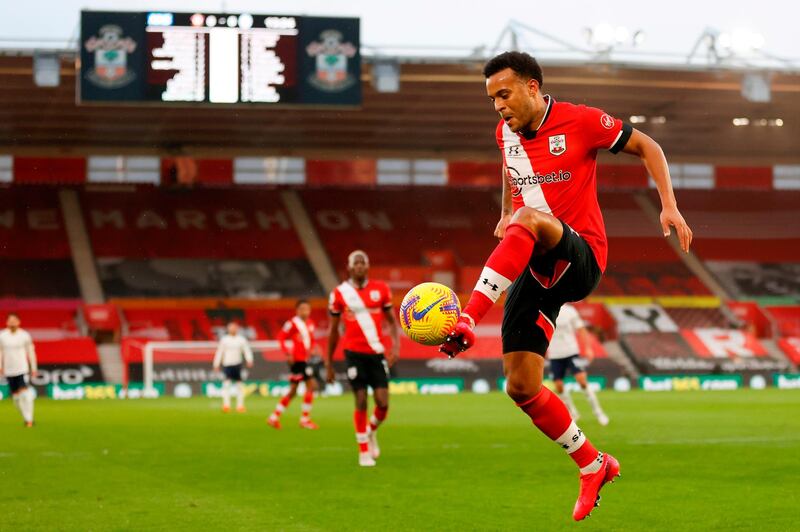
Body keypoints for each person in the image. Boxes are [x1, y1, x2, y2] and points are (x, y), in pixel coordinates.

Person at [440, 51, 693, 521]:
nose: (497, 106)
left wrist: (669, 206)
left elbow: (649, 147)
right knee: (520, 384)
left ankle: (468, 315)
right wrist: (503, 212)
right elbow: (510, 169)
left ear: (532, 87)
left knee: (529, 219)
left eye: (504, 93)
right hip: (536, 263)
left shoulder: (581, 120)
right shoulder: (505, 133)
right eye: (492, 97)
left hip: (582, 256)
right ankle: (592, 462)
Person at [326, 250, 399, 467]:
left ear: (367, 267)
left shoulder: (381, 289)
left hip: (376, 352)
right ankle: (363, 452)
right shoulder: (339, 293)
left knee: (383, 403)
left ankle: (371, 430)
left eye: (362, 263)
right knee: (360, 399)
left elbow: (392, 322)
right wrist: (329, 362)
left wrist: (395, 346)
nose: (359, 266)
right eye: (355, 263)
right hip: (353, 353)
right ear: (348, 267)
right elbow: (333, 330)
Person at [547, 304, 609, 426]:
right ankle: (573, 413)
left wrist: (588, 349)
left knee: (582, 380)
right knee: (558, 385)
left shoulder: (570, 311)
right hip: (555, 354)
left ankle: (598, 412)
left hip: (571, 352)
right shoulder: (546, 309)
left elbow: (581, 329)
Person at [268, 299, 320, 430]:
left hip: (305, 359)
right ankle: (305, 419)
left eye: (307, 309)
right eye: (302, 309)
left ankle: (274, 417)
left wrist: (313, 348)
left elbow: (311, 340)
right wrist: (287, 353)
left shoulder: (310, 324)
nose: (305, 312)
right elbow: (281, 338)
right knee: (312, 385)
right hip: (298, 360)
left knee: (293, 391)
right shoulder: (292, 323)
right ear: (297, 310)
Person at [0, 313, 38, 427]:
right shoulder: (2, 336)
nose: (12, 322)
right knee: (16, 399)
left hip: (22, 368)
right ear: (7, 322)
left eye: (14, 320)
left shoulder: (24, 335)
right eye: (10, 320)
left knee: (24, 394)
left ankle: (29, 419)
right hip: (9, 370)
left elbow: (31, 352)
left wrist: (34, 367)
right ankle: (26, 417)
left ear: (19, 322)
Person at [212, 322, 253, 413]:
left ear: (237, 329)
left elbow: (246, 350)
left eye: (234, 328)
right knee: (226, 385)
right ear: (228, 329)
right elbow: (220, 352)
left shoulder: (241, 339)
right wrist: (216, 364)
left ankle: (240, 406)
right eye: (231, 328)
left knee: (240, 385)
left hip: (237, 364)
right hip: (227, 364)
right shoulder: (224, 340)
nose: (233, 329)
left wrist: (249, 359)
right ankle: (226, 405)